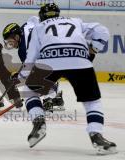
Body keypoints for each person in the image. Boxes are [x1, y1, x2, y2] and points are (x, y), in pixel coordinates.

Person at [19, 2, 117, 154]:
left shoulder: (39, 27)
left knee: (30, 92)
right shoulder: (76, 21)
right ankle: (97, 136)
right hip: (79, 59)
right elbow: (102, 30)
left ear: (41, 16)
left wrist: (23, 77)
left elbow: (31, 57)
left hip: (49, 60)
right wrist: (94, 48)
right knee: (92, 101)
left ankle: (39, 123)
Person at [2, 17, 65, 112]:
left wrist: (17, 77)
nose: (10, 44)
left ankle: (49, 97)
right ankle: (56, 97)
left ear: (17, 37)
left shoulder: (23, 49)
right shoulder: (24, 28)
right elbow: (34, 19)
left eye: (10, 41)